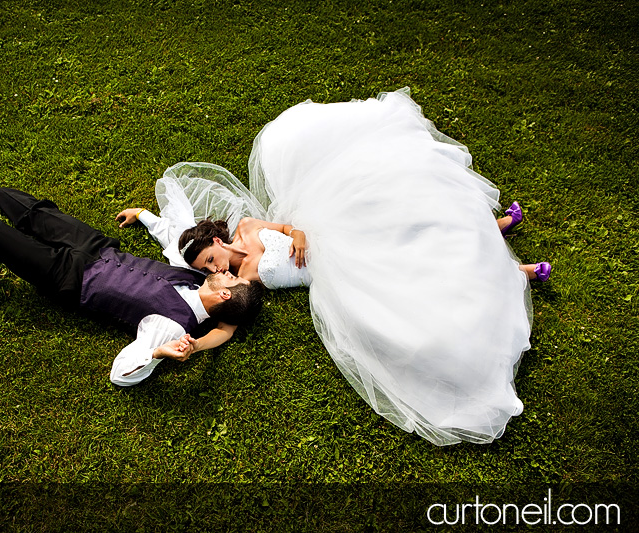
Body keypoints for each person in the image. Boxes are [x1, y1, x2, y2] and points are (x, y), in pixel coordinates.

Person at [118, 88, 552, 445]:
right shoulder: (246, 282)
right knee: (410, 275)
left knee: (407, 220)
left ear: (216, 241)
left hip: (331, 234)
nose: (215, 270)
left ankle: (495, 226)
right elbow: (225, 329)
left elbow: (288, 227)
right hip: (335, 275)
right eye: (207, 268)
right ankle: (518, 273)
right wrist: (195, 346)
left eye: (210, 260)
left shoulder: (249, 228)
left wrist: (300, 237)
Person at [0, 157, 264, 386]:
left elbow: (120, 373)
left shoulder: (172, 325)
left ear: (223, 294)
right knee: (40, 213)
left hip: (69, 277)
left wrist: (157, 353)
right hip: (98, 248)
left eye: (232, 278)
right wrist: (144, 214)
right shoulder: (193, 276)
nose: (229, 271)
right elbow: (171, 239)